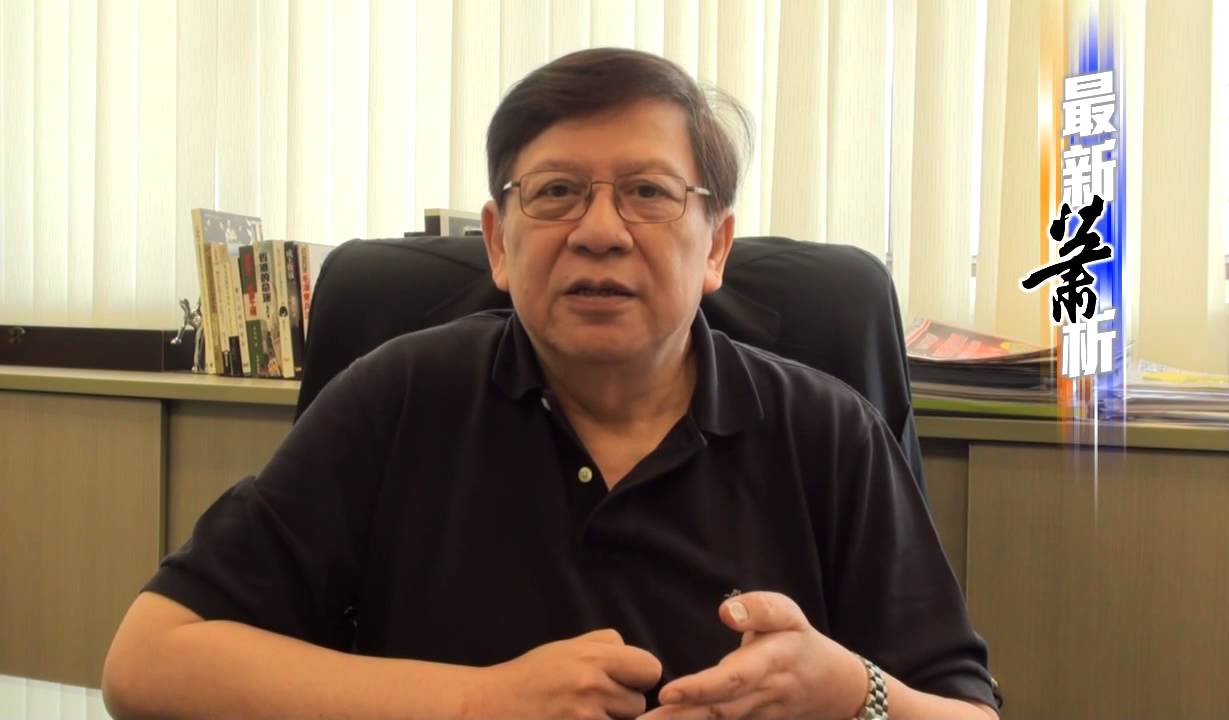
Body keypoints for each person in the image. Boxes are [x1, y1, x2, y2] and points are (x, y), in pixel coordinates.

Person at [102, 48, 1000, 720]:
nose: (600, 231)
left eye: (648, 193)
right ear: (499, 242)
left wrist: (852, 693)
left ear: (716, 247)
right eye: (557, 192)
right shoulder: (402, 397)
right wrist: (477, 702)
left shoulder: (828, 432)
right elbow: (146, 662)